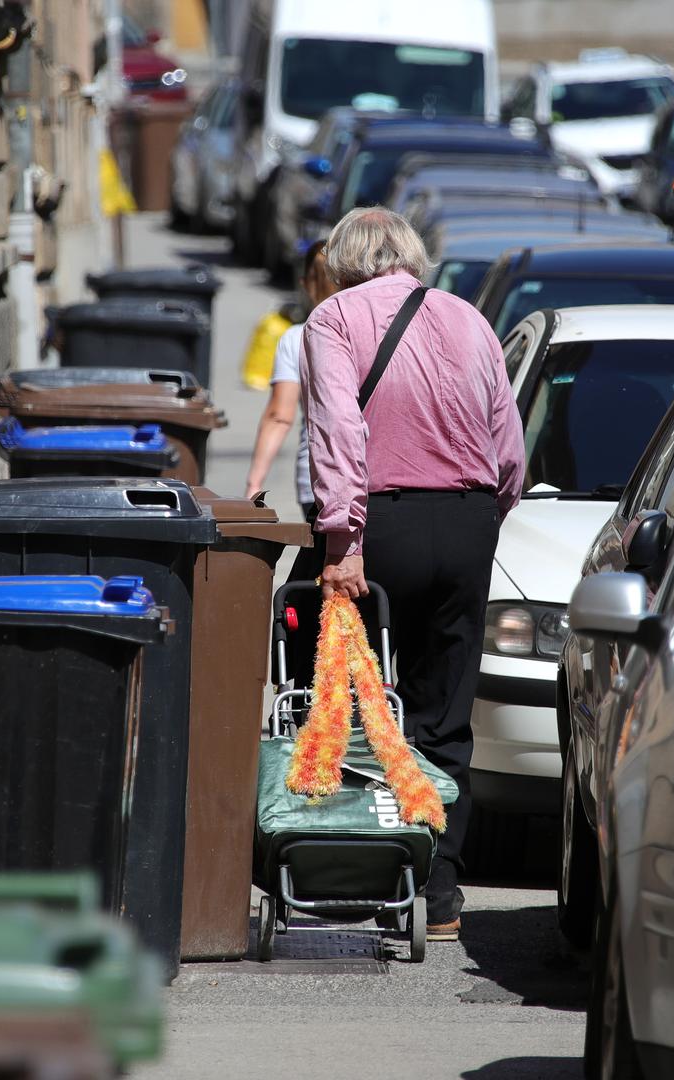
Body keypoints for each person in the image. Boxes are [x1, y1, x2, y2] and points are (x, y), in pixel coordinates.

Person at [300, 206, 524, 941]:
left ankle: (364, 864)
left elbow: (338, 430)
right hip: (466, 520)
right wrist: (484, 519)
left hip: (381, 522)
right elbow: (508, 445)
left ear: (343, 259)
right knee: (446, 704)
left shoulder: (333, 320)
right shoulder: (469, 318)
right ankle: (443, 889)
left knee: (357, 692)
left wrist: (342, 541)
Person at [243, 240, 335, 513]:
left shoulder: (297, 338)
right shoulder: (376, 333)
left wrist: (254, 483)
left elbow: (279, 416)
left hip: (316, 477)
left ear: (305, 284)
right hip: (377, 479)